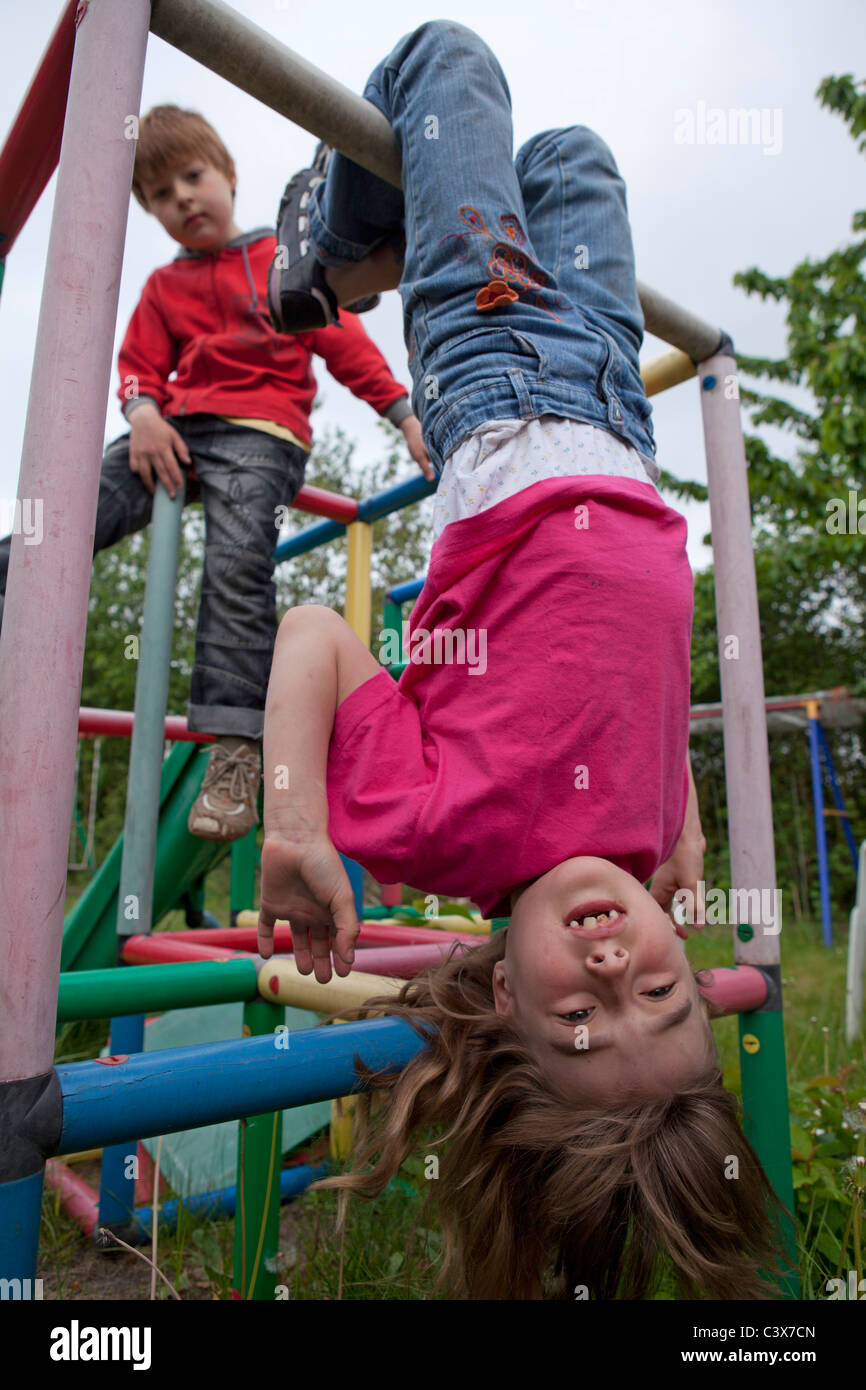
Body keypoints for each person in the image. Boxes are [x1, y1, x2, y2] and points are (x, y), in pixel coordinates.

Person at [258, 22, 792, 1299]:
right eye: (661, 1000)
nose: (614, 976)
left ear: (497, 997)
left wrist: (291, 816)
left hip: (492, 385)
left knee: (450, 63)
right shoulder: (653, 842)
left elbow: (316, 638)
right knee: (576, 160)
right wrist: (689, 828)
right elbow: (649, 699)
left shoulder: (443, 825)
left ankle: (332, 255)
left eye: (574, 1021)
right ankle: (368, 237)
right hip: (617, 413)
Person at [0, 106, 432, 844]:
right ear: (150, 212)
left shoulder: (282, 263)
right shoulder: (164, 288)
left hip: (261, 430)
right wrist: (142, 414)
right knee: (77, 498)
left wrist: (404, 413)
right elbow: (139, 367)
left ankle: (234, 750)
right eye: (161, 195)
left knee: (235, 561)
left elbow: (347, 346)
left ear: (228, 174)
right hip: (176, 429)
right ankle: (13, 575)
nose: (183, 200)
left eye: (193, 178)